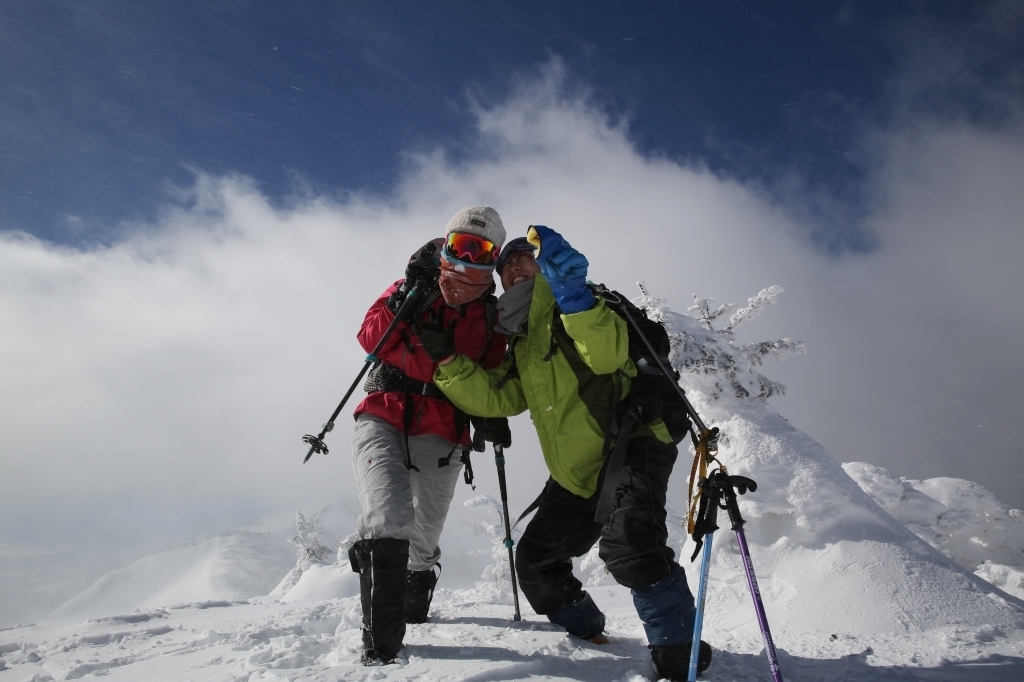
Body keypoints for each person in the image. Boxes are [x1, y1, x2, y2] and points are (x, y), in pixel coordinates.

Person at [425, 226, 713, 680]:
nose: (514, 268)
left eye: (524, 259)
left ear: (545, 266)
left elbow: (604, 355)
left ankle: (682, 654)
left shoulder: (584, 303)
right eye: (505, 267)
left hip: (633, 443)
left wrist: (573, 295)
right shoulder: (521, 337)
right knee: (537, 561)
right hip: (578, 469)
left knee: (632, 548)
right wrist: (447, 363)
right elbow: (500, 399)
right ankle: (589, 634)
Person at [347, 206, 508, 665]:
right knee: (388, 515)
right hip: (383, 412)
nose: (466, 258)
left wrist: (489, 414)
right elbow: (371, 339)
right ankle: (381, 649)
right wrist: (404, 302)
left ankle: (417, 587)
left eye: (480, 249)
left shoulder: (490, 317)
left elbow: (492, 375)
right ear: (445, 246)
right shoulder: (413, 287)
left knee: (424, 531)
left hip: (444, 425)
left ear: (492, 260)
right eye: (459, 245)